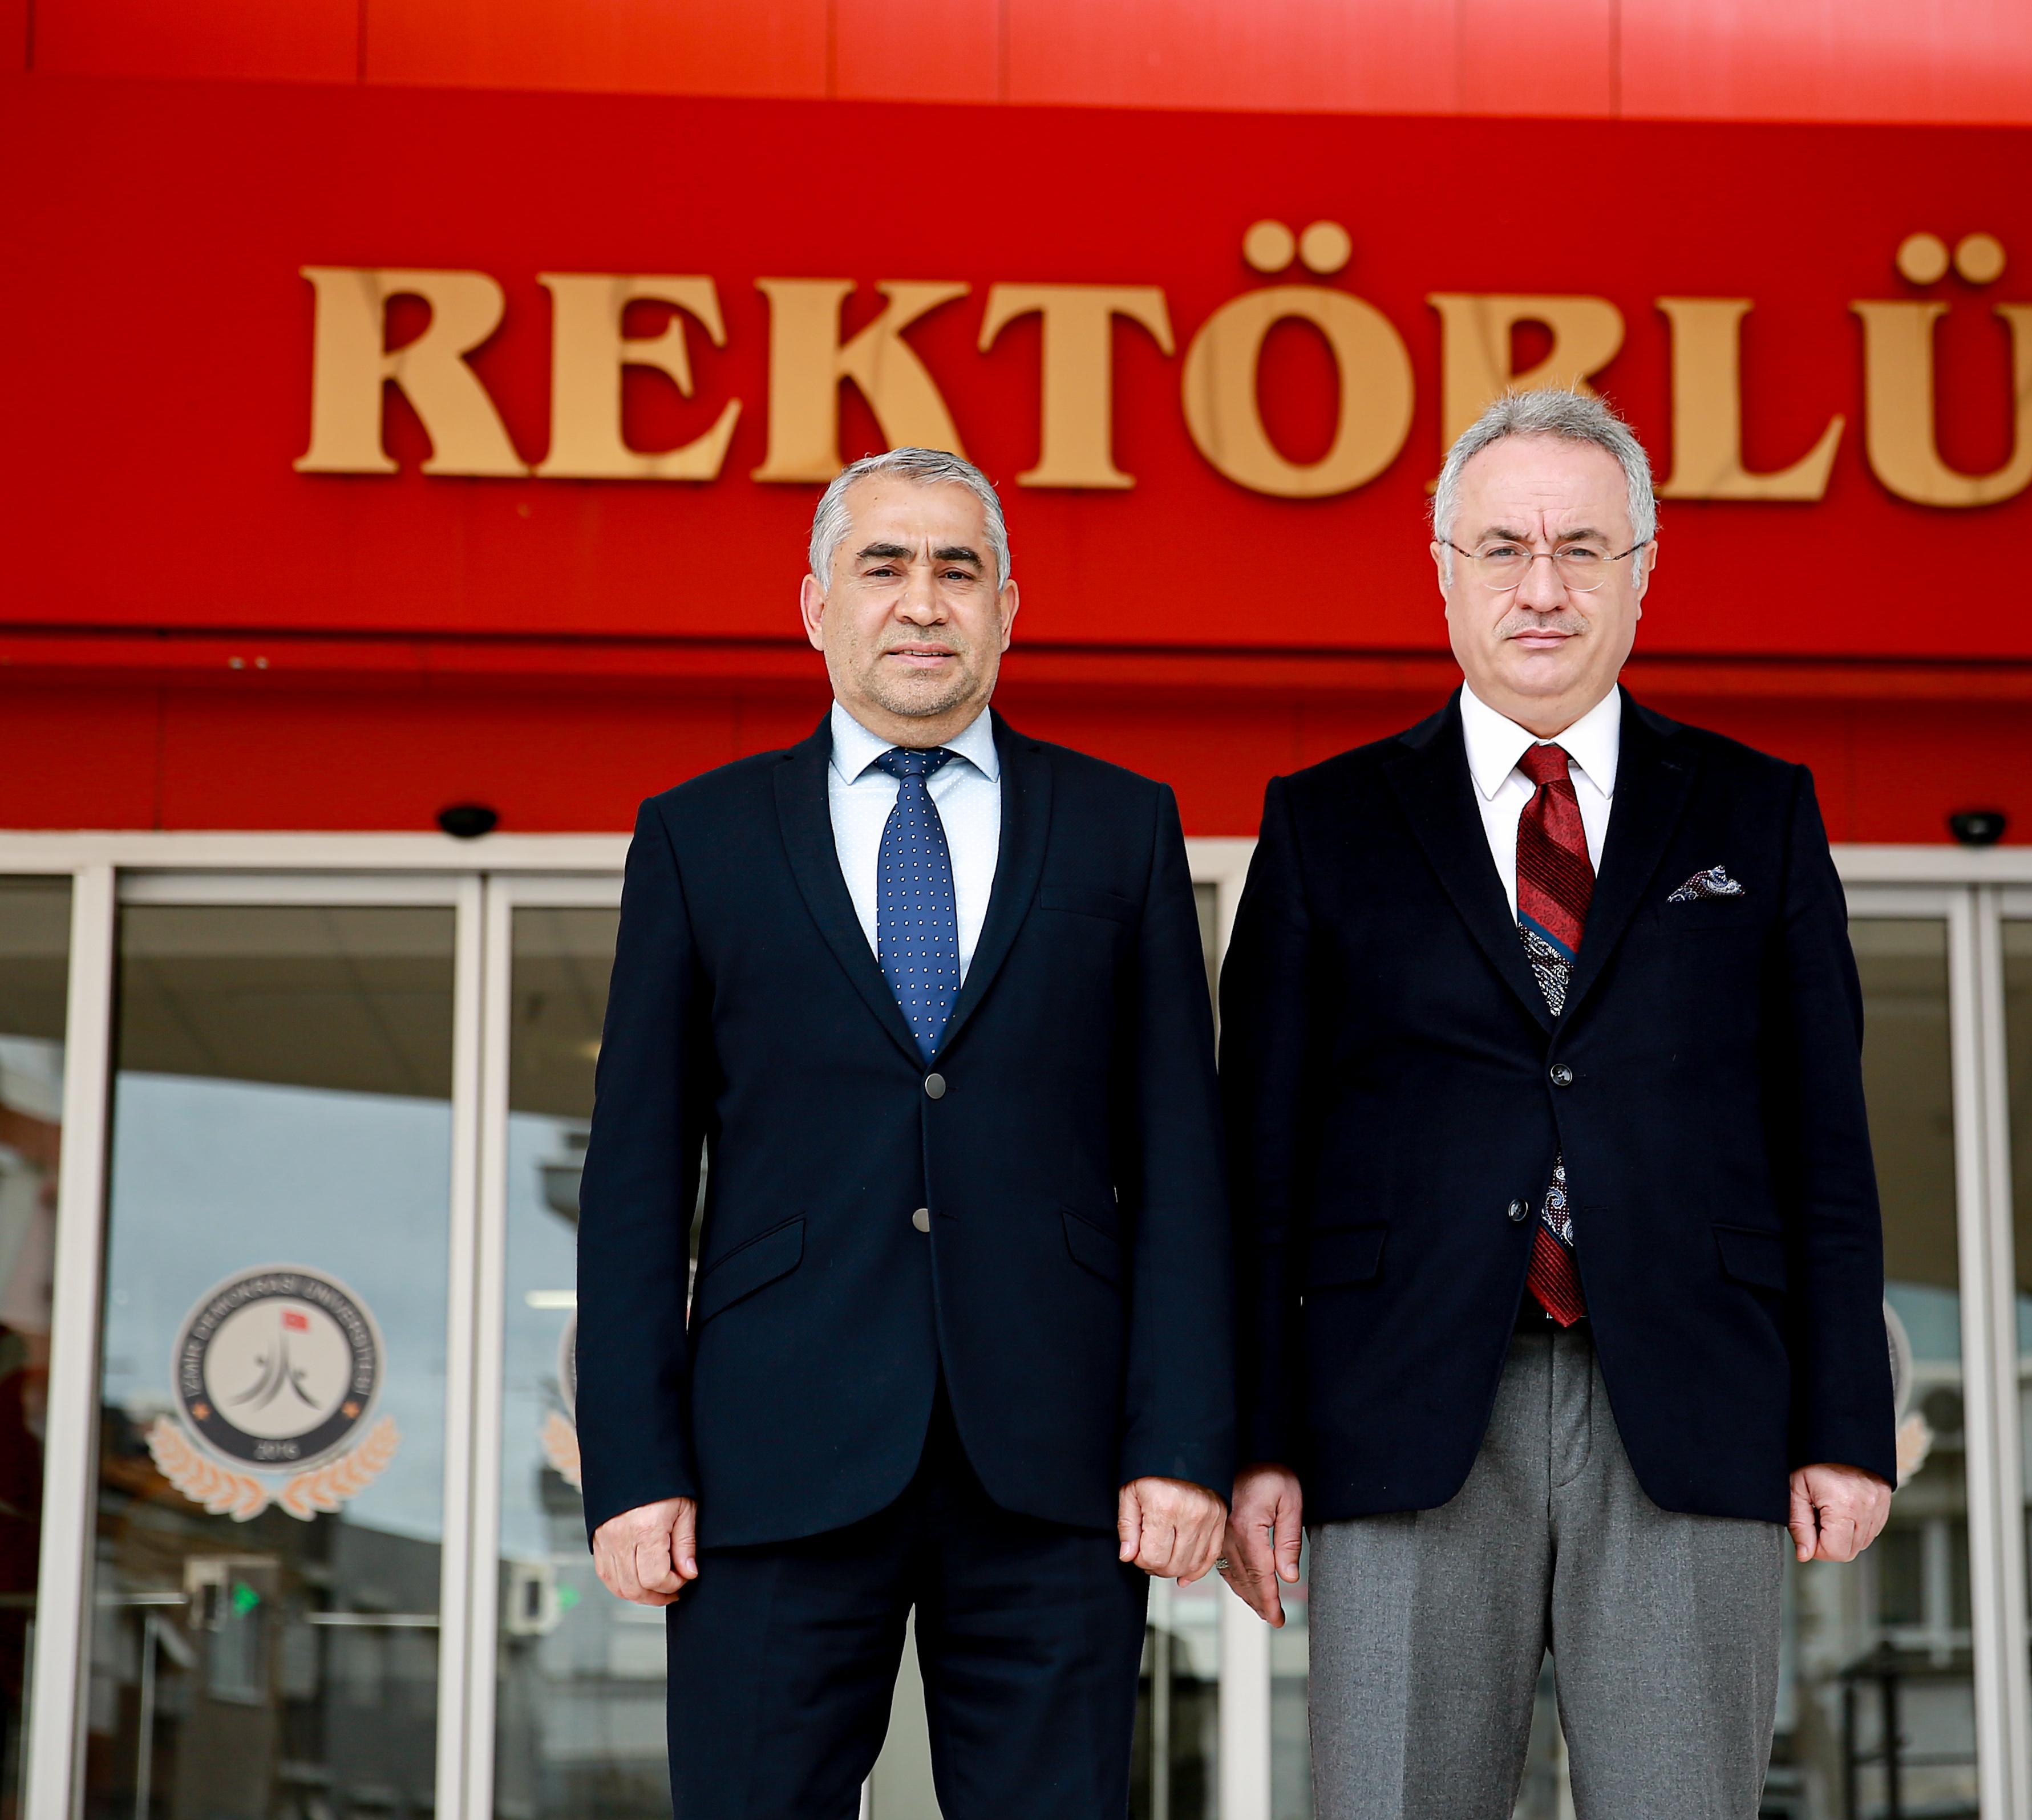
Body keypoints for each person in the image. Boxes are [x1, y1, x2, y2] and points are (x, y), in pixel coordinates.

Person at [1219, 390, 1895, 1820]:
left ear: (1644, 571)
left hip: (1690, 1402)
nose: (1543, 585)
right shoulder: (1323, 821)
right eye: (1505, 547)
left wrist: (1844, 1419)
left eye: (1584, 547)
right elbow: (1256, 1164)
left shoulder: (1757, 812)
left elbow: (1822, 1142)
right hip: (1397, 1410)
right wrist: (1256, 1437)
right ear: (1443, 569)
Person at [576, 447, 1232, 1820]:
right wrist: (634, 1469)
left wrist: (1180, 1439)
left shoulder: (1121, 830)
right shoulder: (700, 838)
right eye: (884, 565)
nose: (921, 600)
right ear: (816, 605)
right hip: (770, 1468)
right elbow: (638, 1176)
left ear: (1007, 608)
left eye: (958, 568)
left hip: (1056, 1468)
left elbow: (1179, 1167)